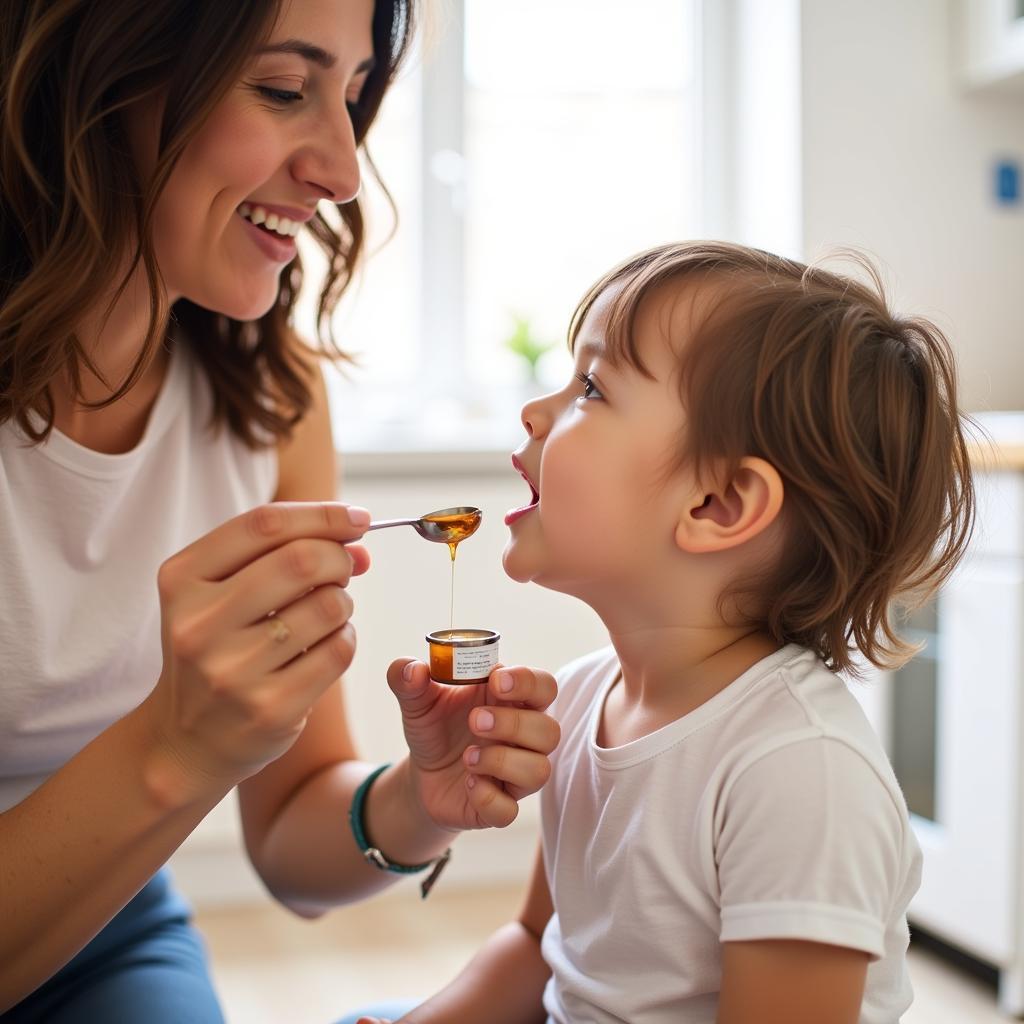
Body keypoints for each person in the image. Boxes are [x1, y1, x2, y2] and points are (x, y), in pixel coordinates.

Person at [0, 2, 561, 1020]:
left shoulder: (269, 398)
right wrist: (177, 744)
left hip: (110, 924)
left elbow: (294, 845)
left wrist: (416, 802)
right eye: (280, 89)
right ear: (96, 80)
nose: (344, 172)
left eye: (352, 98)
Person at [350, 240, 976, 1024]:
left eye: (591, 387)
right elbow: (536, 946)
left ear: (716, 505)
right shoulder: (579, 700)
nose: (535, 411)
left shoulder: (796, 772)